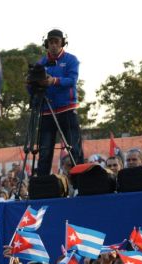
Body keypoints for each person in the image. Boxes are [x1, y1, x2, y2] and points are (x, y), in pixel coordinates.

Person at [32, 28, 83, 177]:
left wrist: (54, 81)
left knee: (74, 148)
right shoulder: (41, 62)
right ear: (46, 44)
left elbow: (72, 80)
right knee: (45, 150)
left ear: (62, 43)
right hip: (47, 110)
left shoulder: (71, 60)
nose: (53, 45)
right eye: (50, 42)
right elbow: (33, 89)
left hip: (66, 109)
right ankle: (42, 183)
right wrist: (31, 84)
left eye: (56, 42)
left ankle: (81, 182)